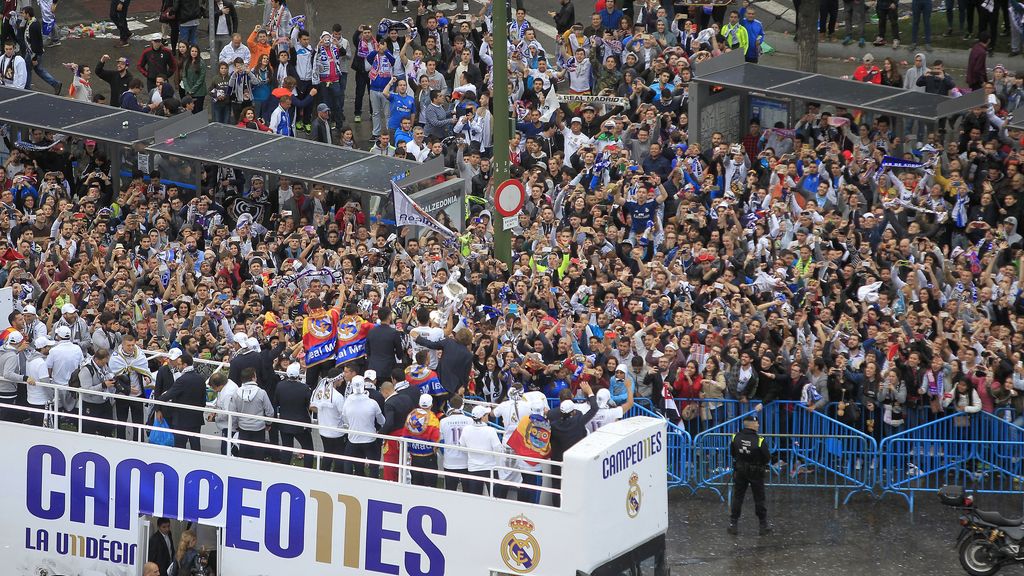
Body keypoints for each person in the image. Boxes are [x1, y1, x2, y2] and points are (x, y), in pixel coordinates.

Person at [728, 414, 773, 536]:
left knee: (738, 497)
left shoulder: (735, 437)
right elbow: (767, 457)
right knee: (759, 499)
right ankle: (763, 525)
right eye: (757, 423)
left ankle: (733, 524)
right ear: (752, 425)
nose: (758, 425)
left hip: (740, 471)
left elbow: (733, 453)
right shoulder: (759, 440)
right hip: (756, 472)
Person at [158, 352, 206, 450]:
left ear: (185, 365)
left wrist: (160, 399)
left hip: (181, 419)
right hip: (196, 418)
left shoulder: (182, 380)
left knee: (180, 447)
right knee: (196, 446)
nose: (178, 366)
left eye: (179, 364)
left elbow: (168, 395)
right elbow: (203, 401)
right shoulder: (200, 379)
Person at [229, 366, 275, 460]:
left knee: (244, 454)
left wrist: (235, 426)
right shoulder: (261, 393)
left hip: (243, 427)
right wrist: (268, 423)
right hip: (259, 427)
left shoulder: (236, 393)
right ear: (253, 377)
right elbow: (270, 411)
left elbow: (232, 413)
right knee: (258, 454)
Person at [275, 362, 315, 467]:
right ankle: (308, 471)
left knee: (286, 449)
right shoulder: (304, 388)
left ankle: (285, 470)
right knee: (308, 449)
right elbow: (308, 405)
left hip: (285, 423)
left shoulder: (280, 386)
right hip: (300, 424)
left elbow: (276, 402)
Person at [459, 405, 503, 495]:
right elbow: (498, 449)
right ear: (482, 417)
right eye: (486, 414)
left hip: (473, 468)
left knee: (475, 497)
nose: (488, 416)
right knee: (495, 497)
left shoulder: (466, 429)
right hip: (490, 468)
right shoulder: (490, 430)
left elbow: (462, 447)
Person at [310, 366, 346, 472]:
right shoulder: (338, 396)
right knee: (339, 456)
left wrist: (323, 412)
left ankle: (324, 472)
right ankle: (337, 475)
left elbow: (312, 407)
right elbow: (343, 414)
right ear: (337, 379)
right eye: (341, 378)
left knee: (327, 453)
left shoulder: (318, 392)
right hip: (336, 431)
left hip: (323, 430)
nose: (343, 381)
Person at [405, 393, 441, 487]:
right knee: (430, 486)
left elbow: (405, 434)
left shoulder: (410, 416)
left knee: (416, 485)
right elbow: (436, 440)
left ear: (419, 404)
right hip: (428, 457)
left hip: (414, 456)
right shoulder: (433, 419)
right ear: (431, 405)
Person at [439, 394, 472, 491]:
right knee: (467, 491)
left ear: (449, 405)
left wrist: (445, 453)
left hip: (450, 460)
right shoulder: (469, 421)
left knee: (450, 491)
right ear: (462, 405)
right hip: (466, 460)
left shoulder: (443, 421)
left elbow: (441, 441)